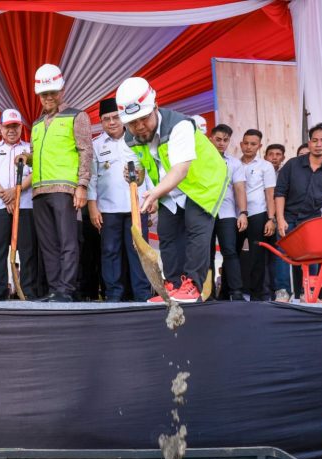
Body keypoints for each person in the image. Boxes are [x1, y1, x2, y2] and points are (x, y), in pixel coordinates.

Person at [116, 77, 228, 303]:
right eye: (132, 122)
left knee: (197, 228)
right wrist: (134, 177)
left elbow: (181, 170)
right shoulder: (129, 139)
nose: (139, 127)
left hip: (202, 181)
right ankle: (173, 285)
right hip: (170, 185)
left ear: (155, 108)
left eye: (143, 119)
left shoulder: (179, 126)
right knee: (167, 233)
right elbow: (138, 172)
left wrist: (155, 193)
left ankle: (192, 286)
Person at [15, 64, 93, 302]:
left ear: (62, 90)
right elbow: (37, 154)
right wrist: (26, 158)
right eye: (44, 93)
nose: (48, 97)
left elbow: (86, 151)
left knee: (67, 241)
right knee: (47, 244)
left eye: (53, 92)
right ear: (39, 95)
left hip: (64, 189)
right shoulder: (36, 124)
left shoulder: (77, 116)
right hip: (39, 190)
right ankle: (54, 289)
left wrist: (82, 185)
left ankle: (66, 290)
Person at [87, 97, 152, 302]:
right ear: (101, 121)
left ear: (123, 118)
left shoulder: (138, 139)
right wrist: (92, 206)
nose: (112, 122)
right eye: (106, 119)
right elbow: (92, 178)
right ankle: (113, 294)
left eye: (116, 117)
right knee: (110, 251)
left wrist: (153, 198)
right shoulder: (96, 145)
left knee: (138, 251)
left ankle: (142, 294)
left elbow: (150, 171)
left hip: (137, 206)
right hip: (108, 208)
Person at [273, 123, 322, 302]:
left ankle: (308, 292)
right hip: (288, 216)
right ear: (309, 143)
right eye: (314, 140)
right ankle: (282, 292)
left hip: (312, 220)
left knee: (313, 256)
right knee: (282, 253)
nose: (318, 144)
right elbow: (279, 192)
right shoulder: (292, 165)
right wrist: (280, 219)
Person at [0, 108, 36, 300]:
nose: (11, 130)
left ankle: (27, 290)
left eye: (15, 126)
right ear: (0, 127)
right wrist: (5, 195)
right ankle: (0, 291)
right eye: (7, 126)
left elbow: (35, 173)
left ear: (21, 127)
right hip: (0, 204)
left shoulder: (29, 150)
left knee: (27, 249)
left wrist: (16, 194)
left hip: (24, 204)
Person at [235, 129, 277, 300]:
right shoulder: (234, 163)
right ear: (241, 144)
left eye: (253, 144)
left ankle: (257, 295)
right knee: (233, 254)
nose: (249, 147)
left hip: (258, 214)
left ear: (259, 146)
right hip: (235, 215)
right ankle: (232, 292)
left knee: (257, 256)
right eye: (246, 143)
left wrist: (271, 219)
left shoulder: (265, 166)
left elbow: (270, 193)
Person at [208, 124, 247, 300]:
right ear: (210, 139)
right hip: (204, 213)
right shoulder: (200, 160)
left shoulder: (234, 163)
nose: (221, 143)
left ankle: (236, 292)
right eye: (218, 139)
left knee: (230, 252)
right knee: (205, 253)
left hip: (227, 213)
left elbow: (239, 188)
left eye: (225, 140)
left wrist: (243, 213)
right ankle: (206, 292)